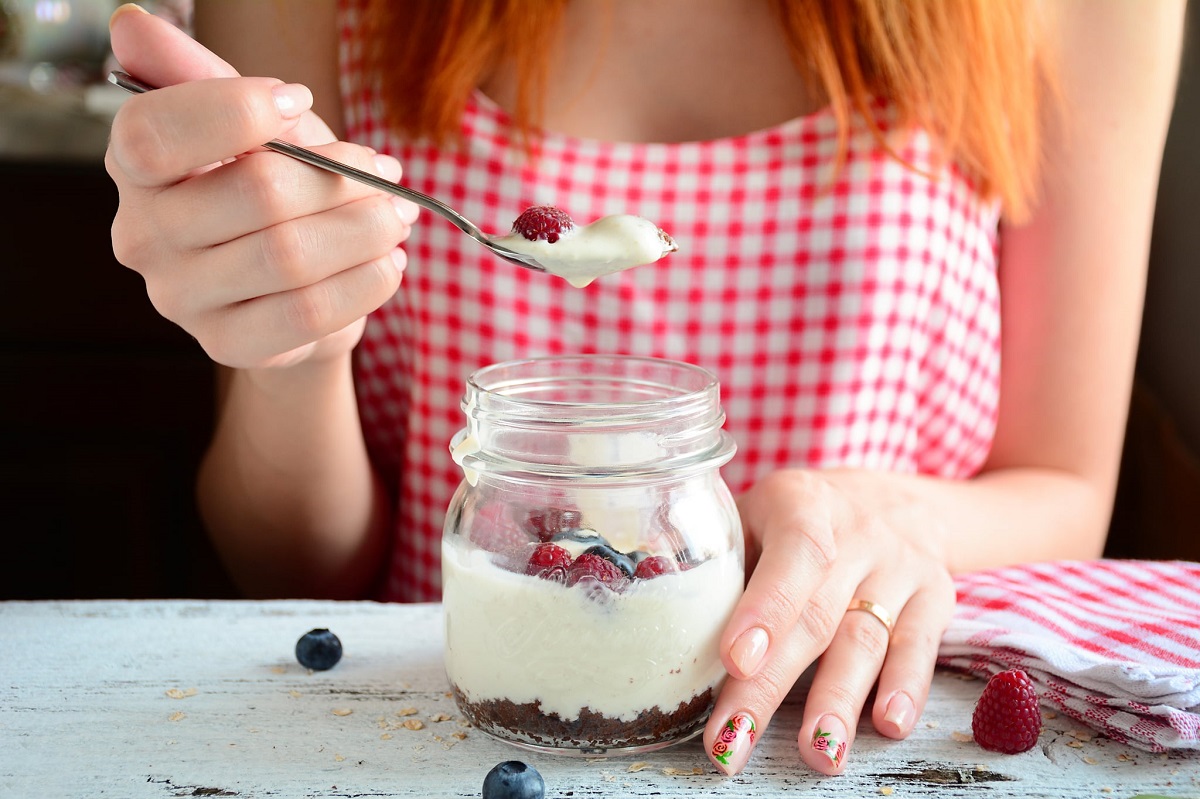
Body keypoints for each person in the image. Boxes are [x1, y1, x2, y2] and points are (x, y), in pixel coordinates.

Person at [104, 0, 1186, 777]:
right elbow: (291, 570)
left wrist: (889, 512)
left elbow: (1067, 487)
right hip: (434, 747)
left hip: (856, 741)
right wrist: (297, 343)